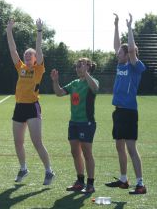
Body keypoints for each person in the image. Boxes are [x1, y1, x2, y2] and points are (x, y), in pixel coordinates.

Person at [6, 18, 55, 185]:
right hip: (19, 107)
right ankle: (23, 168)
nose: (27, 56)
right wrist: (9, 31)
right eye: (26, 54)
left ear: (35, 59)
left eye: (30, 54)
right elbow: (13, 50)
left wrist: (39, 31)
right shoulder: (21, 67)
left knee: (37, 142)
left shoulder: (38, 69)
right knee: (18, 142)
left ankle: (49, 171)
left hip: (32, 107)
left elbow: (40, 49)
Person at [105, 13, 147, 194]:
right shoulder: (120, 65)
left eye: (120, 53)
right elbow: (117, 46)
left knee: (131, 148)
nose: (117, 54)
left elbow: (130, 49)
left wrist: (129, 27)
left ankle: (140, 184)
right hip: (119, 112)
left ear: (129, 54)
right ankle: (124, 180)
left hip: (129, 112)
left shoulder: (134, 66)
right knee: (119, 146)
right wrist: (116, 25)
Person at [51, 58, 99, 194]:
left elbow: (95, 88)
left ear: (88, 68)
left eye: (80, 66)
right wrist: (55, 81)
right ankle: (80, 181)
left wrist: (86, 74)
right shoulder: (75, 83)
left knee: (87, 153)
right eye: (77, 66)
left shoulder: (92, 81)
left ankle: (90, 184)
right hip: (74, 122)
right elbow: (59, 93)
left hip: (87, 123)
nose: (77, 69)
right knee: (75, 152)